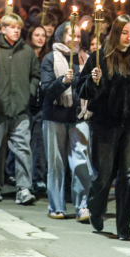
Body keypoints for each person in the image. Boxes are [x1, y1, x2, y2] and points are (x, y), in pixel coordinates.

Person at [77, 15, 130, 239]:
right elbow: (82, 90)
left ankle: (124, 226)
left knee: (129, 175)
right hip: (105, 124)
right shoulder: (99, 57)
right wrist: (93, 81)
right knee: (104, 175)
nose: (129, 37)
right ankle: (96, 208)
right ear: (116, 33)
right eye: (125, 33)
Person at [0, 14, 40, 204]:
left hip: (20, 109)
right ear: (3, 29)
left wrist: (29, 92)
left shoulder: (27, 52)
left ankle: (24, 188)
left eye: (18, 27)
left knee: (23, 149)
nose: (16, 30)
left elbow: (35, 75)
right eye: (12, 27)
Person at [40, 21, 94, 221]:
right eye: (72, 35)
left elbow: (89, 89)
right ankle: (56, 206)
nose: (76, 39)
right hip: (55, 116)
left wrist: (95, 80)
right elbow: (46, 91)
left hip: (79, 117)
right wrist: (62, 81)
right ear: (61, 36)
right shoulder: (50, 59)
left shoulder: (86, 59)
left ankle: (83, 205)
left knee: (82, 162)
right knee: (56, 164)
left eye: (79, 36)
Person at [25, 24, 50, 196]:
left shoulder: (47, 58)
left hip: (41, 106)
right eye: (37, 35)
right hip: (26, 103)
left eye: (43, 35)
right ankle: (16, 173)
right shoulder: (25, 54)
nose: (41, 38)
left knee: (39, 142)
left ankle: (38, 177)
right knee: (23, 142)